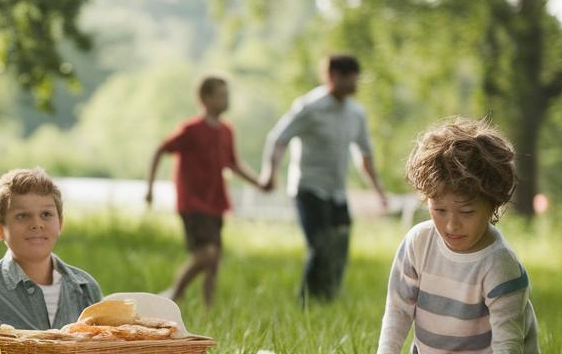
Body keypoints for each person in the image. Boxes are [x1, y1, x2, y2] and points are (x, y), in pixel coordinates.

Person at [348, 117, 541, 354]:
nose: (451, 225)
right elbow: (399, 309)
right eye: (438, 210)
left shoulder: (499, 265)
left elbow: (507, 346)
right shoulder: (418, 243)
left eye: (466, 211)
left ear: (493, 205)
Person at [260, 54, 387, 303]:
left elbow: (365, 154)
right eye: (348, 76)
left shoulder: (356, 113)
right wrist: (270, 171)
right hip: (308, 189)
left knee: (339, 247)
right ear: (332, 76)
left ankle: (328, 299)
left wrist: (378, 191)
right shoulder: (310, 107)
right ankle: (306, 302)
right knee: (320, 247)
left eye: (355, 76)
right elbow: (279, 138)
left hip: (337, 191)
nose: (354, 82)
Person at [145, 75, 263, 307]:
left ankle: (209, 308)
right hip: (193, 202)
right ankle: (174, 292)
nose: (226, 100)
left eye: (227, 95)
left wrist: (259, 183)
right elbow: (161, 150)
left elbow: (233, 163)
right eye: (221, 95)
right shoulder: (191, 130)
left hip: (216, 202)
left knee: (214, 261)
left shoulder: (227, 131)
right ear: (205, 99)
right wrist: (150, 188)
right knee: (207, 252)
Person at [0, 167, 102, 330]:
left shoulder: (87, 288)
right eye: (22, 216)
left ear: (60, 223)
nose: (37, 224)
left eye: (46, 214)